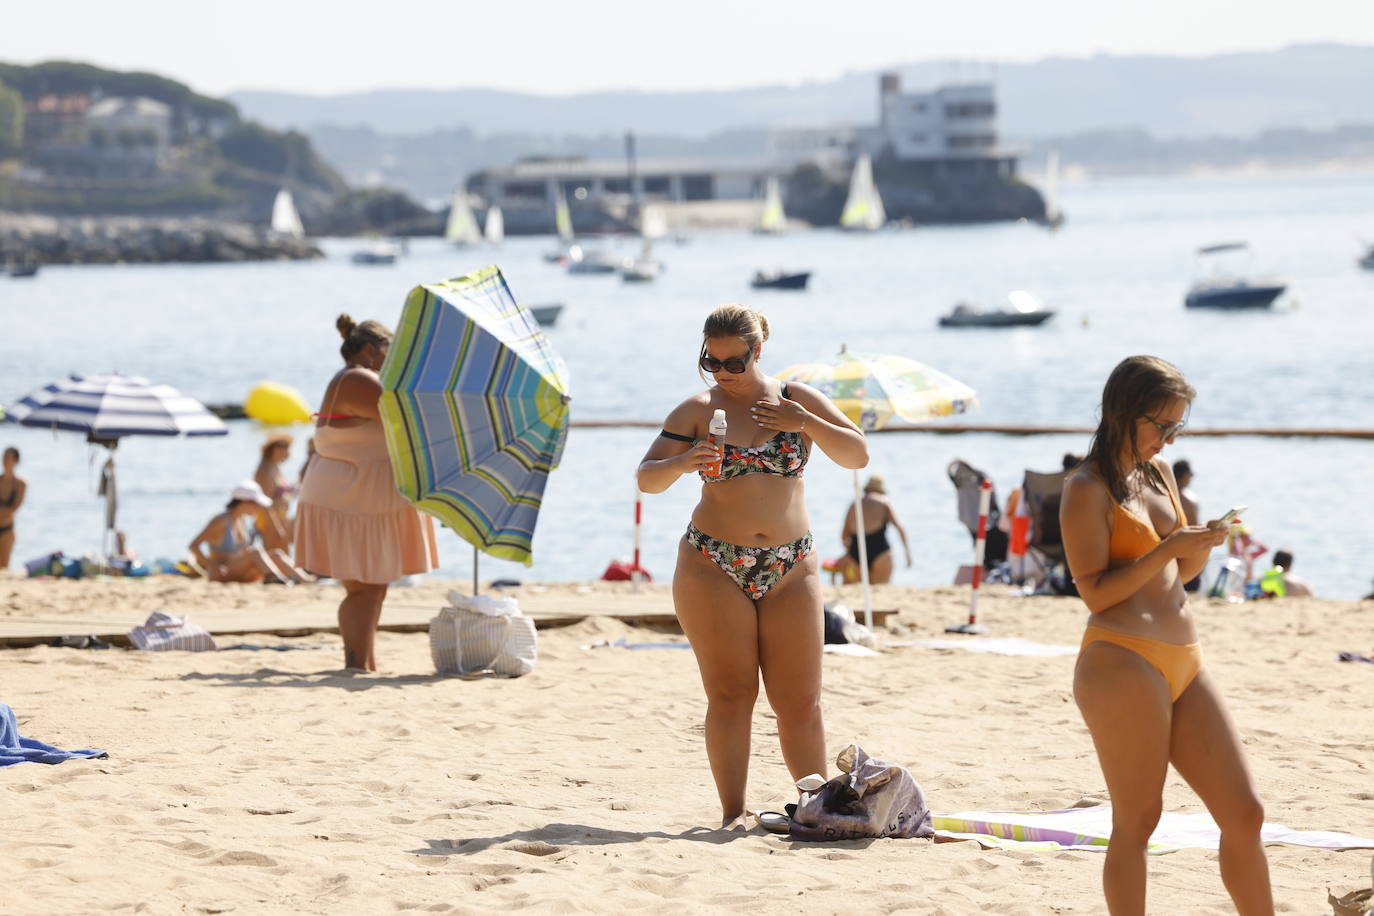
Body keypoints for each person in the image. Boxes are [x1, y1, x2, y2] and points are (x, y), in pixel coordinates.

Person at [636, 304, 868, 830]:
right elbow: (647, 478)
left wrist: (804, 423)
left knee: (801, 702)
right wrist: (684, 461)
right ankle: (732, 812)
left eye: (733, 363)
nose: (722, 373)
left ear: (757, 352)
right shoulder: (696, 410)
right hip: (713, 562)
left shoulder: (795, 400)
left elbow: (857, 455)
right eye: (710, 362)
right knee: (731, 694)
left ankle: (816, 811)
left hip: (792, 564)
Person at [1060, 355, 1273, 915]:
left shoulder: (1157, 475)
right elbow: (1095, 593)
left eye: (1179, 426)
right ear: (1124, 413)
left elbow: (1179, 576)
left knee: (1245, 813)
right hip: (1120, 658)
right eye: (1163, 425)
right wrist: (1168, 550)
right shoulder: (1086, 488)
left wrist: (1199, 546)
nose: (1170, 439)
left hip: (1185, 657)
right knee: (1138, 820)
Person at [295, 314, 439, 672]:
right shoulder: (358, 378)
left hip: (355, 496)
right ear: (374, 351)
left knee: (372, 587)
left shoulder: (356, 378)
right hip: (352, 499)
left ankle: (364, 663)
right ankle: (356, 664)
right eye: (393, 352)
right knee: (366, 589)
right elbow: (408, 418)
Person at [188, 481, 312, 584]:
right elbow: (193, 546)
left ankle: (306, 581)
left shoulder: (241, 520)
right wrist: (211, 566)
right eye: (256, 505)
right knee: (255, 552)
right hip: (223, 574)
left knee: (276, 554)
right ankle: (275, 579)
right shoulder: (221, 521)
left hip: (240, 571)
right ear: (244, 503)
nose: (259, 509)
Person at [839, 474, 911, 585]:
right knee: (879, 590)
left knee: (857, 591)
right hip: (881, 552)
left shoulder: (854, 505)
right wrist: (907, 554)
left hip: (855, 551)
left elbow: (844, 535)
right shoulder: (884, 502)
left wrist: (848, 553)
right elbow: (900, 528)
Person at [253, 433, 296, 551]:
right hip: (271, 520)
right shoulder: (265, 468)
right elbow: (265, 502)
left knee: (284, 554)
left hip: (280, 517)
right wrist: (276, 527)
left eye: (287, 448)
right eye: (283, 447)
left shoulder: (274, 466)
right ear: (273, 449)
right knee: (276, 556)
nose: (287, 452)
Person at [1171, 459, 1203, 592]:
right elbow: (1196, 531)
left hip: (1167, 553)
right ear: (1185, 475)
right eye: (1191, 475)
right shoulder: (1190, 501)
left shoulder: (1162, 495)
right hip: (1187, 554)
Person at [0, 446, 26, 569]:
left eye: (8, 458)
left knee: (3, 569)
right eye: (3, 457)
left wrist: (4, 510)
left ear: (16, 461)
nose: (4, 461)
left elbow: (14, 508)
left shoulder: (21, 484)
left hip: (7, 530)